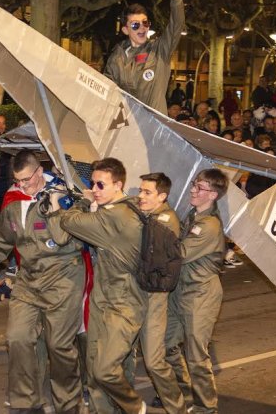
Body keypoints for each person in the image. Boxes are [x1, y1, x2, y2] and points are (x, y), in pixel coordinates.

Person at [0, 150, 85, 413]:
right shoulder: (14, 201)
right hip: (28, 279)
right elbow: (1, 238)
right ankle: (26, 402)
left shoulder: (65, 194)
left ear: (38, 172)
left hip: (63, 278)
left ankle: (69, 405)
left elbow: (64, 238)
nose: (22, 185)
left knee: (59, 346)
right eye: (17, 180)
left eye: (26, 179)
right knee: (17, 337)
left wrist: (57, 205)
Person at [59, 157, 147, 413]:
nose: (94, 189)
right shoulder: (120, 209)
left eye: (100, 185)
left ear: (118, 185)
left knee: (104, 370)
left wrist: (84, 200)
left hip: (123, 302)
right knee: (96, 369)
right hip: (104, 298)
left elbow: (69, 222)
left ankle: (134, 407)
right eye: (92, 184)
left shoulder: (117, 216)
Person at [164, 169, 227, 414]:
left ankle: (206, 407)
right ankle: (184, 389)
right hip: (181, 291)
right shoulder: (193, 215)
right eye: (193, 184)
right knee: (167, 345)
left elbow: (179, 253)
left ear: (212, 194)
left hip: (200, 294)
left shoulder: (209, 225)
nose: (192, 190)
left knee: (196, 355)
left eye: (199, 187)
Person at [135, 172, 186, 414]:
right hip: (140, 294)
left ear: (162, 196)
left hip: (154, 296)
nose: (140, 196)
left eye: (147, 192)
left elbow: (143, 246)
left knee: (154, 360)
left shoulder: (164, 221)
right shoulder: (150, 215)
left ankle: (178, 407)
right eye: (140, 190)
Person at [104, 0, 184, 115]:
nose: (142, 28)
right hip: (127, 129)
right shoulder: (116, 58)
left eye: (145, 23)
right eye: (135, 25)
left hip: (154, 131)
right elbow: (106, 92)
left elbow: (176, 24)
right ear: (125, 30)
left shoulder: (159, 51)